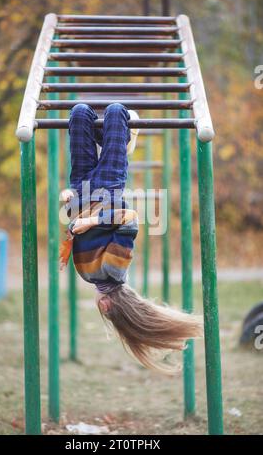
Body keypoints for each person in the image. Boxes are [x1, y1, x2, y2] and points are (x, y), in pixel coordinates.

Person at [60, 102, 202, 372]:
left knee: (79, 113)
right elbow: (129, 220)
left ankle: (116, 140)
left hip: (80, 189)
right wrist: (91, 220)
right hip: (108, 187)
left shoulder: (86, 274)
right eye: (102, 311)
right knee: (115, 111)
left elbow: (77, 227)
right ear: (106, 306)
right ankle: (121, 140)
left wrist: (69, 202)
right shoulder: (114, 272)